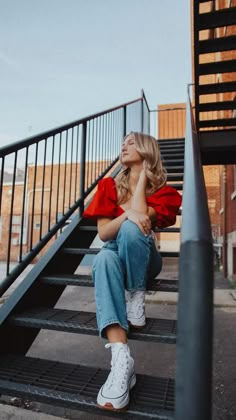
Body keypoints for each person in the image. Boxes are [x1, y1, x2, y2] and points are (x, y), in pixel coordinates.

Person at [83, 131, 182, 412]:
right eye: (122, 142)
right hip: (114, 253)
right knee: (103, 259)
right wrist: (128, 213)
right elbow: (104, 233)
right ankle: (121, 359)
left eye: (131, 142)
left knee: (129, 228)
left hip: (145, 258)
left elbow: (138, 223)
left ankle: (136, 294)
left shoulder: (163, 191)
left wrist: (141, 181)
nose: (123, 146)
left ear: (147, 150)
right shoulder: (108, 187)